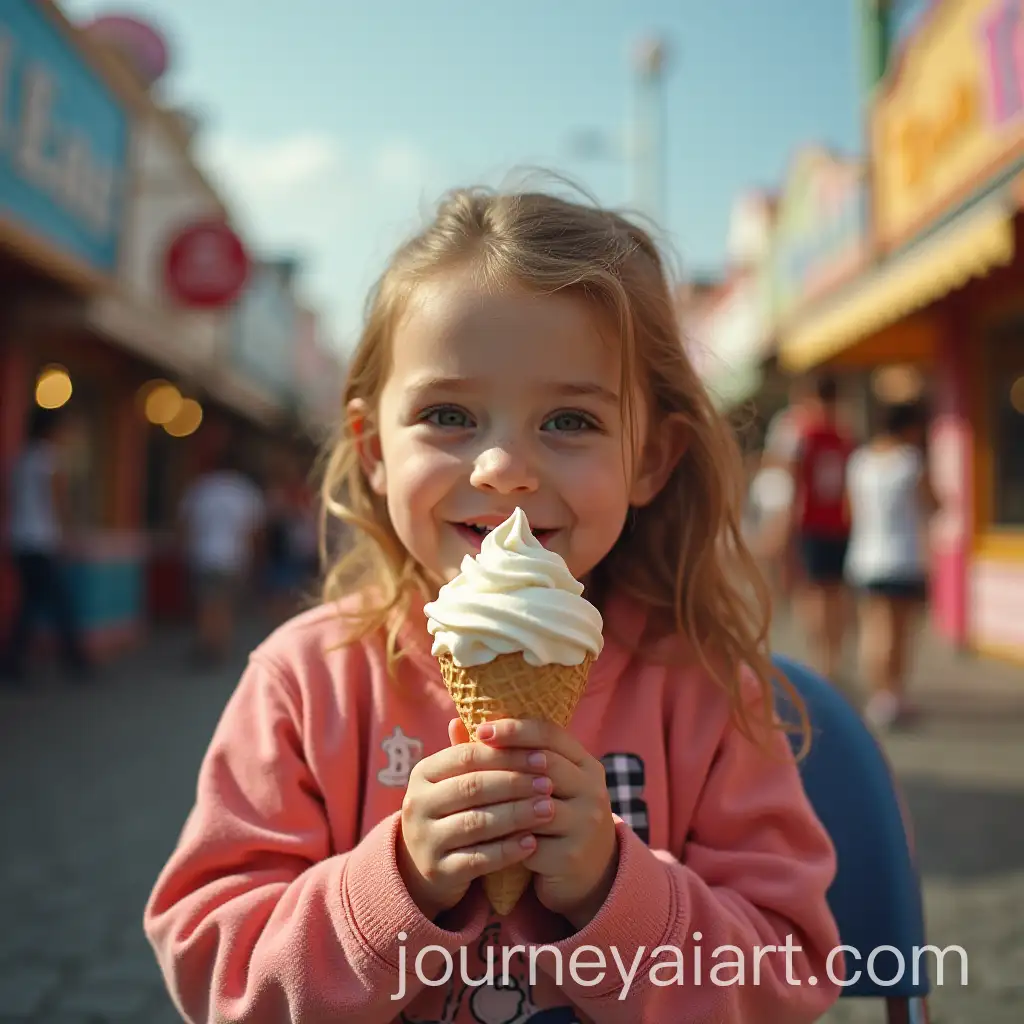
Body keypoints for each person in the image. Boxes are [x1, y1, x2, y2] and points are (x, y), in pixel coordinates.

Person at [143, 186, 842, 1022]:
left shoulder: (706, 689)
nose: (504, 466)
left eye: (570, 420)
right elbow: (214, 968)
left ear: (651, 458)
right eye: (448, 415)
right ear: (371, 450)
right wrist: (393, 884)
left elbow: (790, 976)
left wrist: (617, 890)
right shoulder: (307, 683)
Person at [845, 401, 937, 731]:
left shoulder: (860, 460)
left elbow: (849, 509)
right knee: (898, 632)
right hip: (903, 557)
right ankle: (893, 694)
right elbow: (932, 503)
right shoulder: (910, 461)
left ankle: (878, 694)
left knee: (873, 628)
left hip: (865, 556)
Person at [1, 405, 91, 683]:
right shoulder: (50, 459)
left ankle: (20, 660)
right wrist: (68, 535)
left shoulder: (22, 459)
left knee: (34, 601)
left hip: (20, 538)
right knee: (54, 601)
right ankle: (73, 659)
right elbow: (58, 502)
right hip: (42, 540)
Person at [786, 373, 855, 682]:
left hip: (812, 524)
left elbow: (794, 481)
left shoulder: (805, 435)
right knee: (835, 592)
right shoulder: (844, 436)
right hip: (840, 523)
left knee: (815, 592)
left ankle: (820, 660)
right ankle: (833, 659)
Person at [176, 446, 266, 664]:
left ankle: (208, 642)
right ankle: (219, 646)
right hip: (233, 556)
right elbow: (253, 530)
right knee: (224, 604)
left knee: (206, 602)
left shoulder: (201, 487)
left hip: (204, 554)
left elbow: (186, 523)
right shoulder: (245, 491)